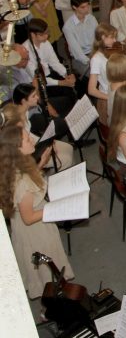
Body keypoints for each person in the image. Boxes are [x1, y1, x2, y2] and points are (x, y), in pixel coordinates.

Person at [0, 123, 74, 299]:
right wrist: (58, 208)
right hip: (35, 231)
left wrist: (41, 163)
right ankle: (50, 304)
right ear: (17, 150)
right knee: (46, 271)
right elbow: (29, 217)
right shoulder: (22, 182)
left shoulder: (17, 166)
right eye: (27, 140)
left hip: (30, 225)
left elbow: (28, 192)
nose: (32, 140)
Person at [11, 83, 74, 169]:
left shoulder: (25, 111)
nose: (37, 97)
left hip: (34, 145)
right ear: (23, 101)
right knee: (66, 159)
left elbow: (30, 135)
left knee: (69, 147)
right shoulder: (16, 122)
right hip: (28, 156)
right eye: (33, 96)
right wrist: (45, 149)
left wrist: (48, 142)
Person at [62, 0, 98, 78]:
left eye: (87, 5)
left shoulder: (91, 18)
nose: (87, 9)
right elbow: (77, 52)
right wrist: (92, 61)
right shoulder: (68, 27)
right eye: (83, 7)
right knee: (97, 74)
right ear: (74, 7)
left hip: (95, 52)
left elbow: (98, 37)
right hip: (81, 59)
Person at [88, 23, 118, 125]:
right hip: (108, 98)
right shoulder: (96, 59)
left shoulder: (107, 52)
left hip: (115, 94)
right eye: (112, 37)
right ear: (103, 37)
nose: (115, 40)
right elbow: (91, 90)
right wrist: (111, 98)